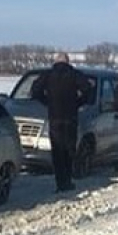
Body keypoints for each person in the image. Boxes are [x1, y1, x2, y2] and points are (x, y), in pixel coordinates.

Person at [31, 52, 94, 192]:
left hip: (54, 117)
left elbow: (35, 91)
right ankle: (67, 180)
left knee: (57, 151)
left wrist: (47, 102)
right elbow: (88, 89)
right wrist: (78, 102)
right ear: (67, 61)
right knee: (69, 149)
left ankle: (60, 183)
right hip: (71, 117)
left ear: (55, 61)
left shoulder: (48, 75)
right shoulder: (74, 74)